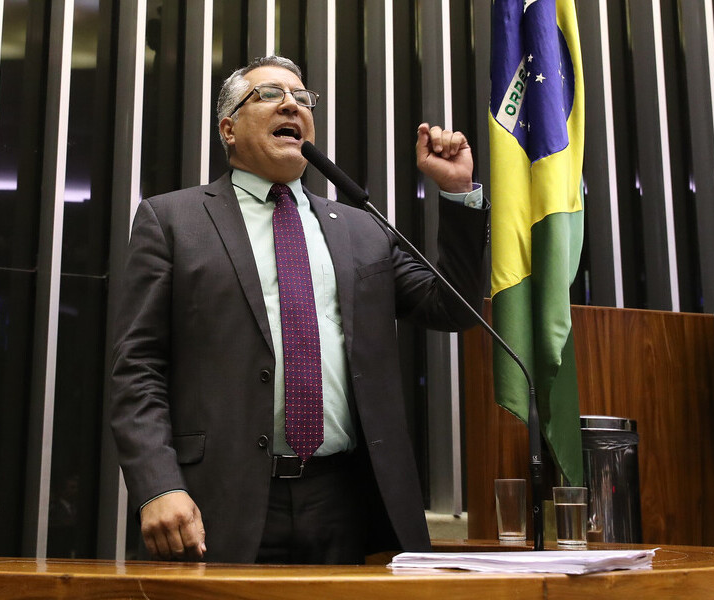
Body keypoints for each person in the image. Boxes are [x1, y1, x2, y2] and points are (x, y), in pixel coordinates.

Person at [111, 55, 489, 564]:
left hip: (349, 500)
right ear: (228, 129)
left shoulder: (361, 229)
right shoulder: (173, 220)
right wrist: (157, 486)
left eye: (302, 98)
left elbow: (454, 307)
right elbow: (138, 369)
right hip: (219, 499)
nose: (292, 103)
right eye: (268, 94)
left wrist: (457, 192)